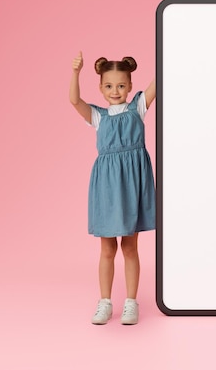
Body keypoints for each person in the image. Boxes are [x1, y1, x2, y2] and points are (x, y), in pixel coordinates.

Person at [69, 52, 156, 325]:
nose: (115, 91)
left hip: (132, 182)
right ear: (100, 88)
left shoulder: (138, 107)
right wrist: (75, 73)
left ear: (130, 86)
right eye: (108, 86)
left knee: (130, 247)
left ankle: (131, 302)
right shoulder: (98, 116)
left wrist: (167, 46)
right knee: (107, 248)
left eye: (121, 85)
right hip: (107, 185)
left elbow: (159, 81)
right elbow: (74, 100)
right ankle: (105, 302)